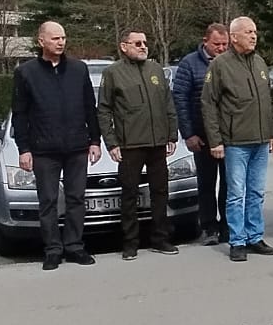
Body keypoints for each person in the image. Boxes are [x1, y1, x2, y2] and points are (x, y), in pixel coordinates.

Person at [12, 19, 102, 270]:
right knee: (48, 201)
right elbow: (20, 113)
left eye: (63, 38)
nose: (61, 42)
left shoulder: (78, 69)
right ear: (41, 41)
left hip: (76, 146)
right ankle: (52, 249)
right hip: (44, 149)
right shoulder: (26, 72)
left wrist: (95, 140)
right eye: (55, 38)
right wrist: (24, 149)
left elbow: (89, 107)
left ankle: (74, 246)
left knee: (76, 198)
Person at [201, 16, 273, 261]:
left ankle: (255, 236)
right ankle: (237, 241)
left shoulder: (259, 62)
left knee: (256, 192)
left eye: (255, 31)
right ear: (234, 37)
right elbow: (208, 104)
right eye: (248, 32)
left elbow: (267, 101)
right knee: (236, 194)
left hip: (260, 140)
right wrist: (215, 140)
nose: (254, 36)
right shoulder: (220, 65)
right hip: (235, 142)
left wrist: (271, 131)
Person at [99, 27, 180, 260]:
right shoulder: (113, 73)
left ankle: (160, 238)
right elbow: (103, 110)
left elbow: (167, 103)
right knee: (129, 194)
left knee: (160, 192)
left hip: (157, 143)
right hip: (130, 145)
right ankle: (130, 243)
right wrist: (111, 143)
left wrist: (172, 135)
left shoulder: (155, 70)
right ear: (124, 46)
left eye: (145, 42)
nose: (143, 46)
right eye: (137, 43)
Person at [173, 23, 229, 246]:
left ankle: (227, 225)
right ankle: (208, 226)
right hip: (202, 135)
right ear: (205, 41)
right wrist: (188, 134)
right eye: (217, 44)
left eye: (225, 44)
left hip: (229, 134)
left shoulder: (230, 61)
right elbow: (180, 99)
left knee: (229, 183)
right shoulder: (189, 64)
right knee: (206, 183)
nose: (221, 48)